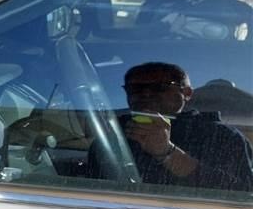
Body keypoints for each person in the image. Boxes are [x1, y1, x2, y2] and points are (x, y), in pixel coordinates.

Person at [91, 62, 253, 192]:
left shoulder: (221, 136)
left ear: (187, 93)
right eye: (136, 89)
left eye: (160, 87)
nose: (146, 94)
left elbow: (240, 194)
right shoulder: (113, 134)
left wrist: (166, 152)